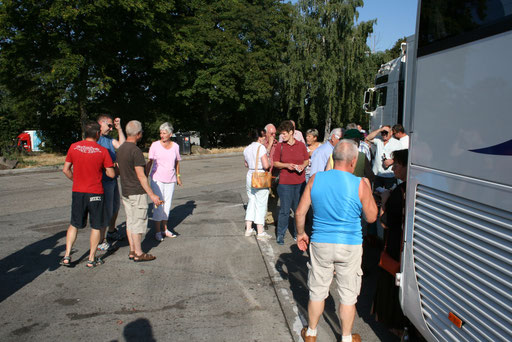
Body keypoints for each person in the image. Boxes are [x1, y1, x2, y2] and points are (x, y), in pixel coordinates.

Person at [295, 140, 378, 342]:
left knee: (317, 290)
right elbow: (372, 217)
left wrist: (300, 234)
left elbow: (300, 212)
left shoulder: (316, 179)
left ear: (333, 157)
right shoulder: (360, 183)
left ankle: (312, 333)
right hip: (349, 244)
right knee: (348, 295)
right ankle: (347, 337)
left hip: (321, 242)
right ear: (353, 161)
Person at [60, 121, 115, 268]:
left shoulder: (74, 147)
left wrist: (76, 179)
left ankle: (66, 256)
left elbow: (65, 170)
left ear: (85, 133)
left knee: (74, 224)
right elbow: (111, 174)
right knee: (96, 226)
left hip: (78, 191)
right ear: (98, 134)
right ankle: (91, 258)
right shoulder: (102, 151)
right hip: (95, 191)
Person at [372, 149, 408, 337]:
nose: (393, 168)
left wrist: (384, 202)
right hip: (407, 245)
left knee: (392, 283)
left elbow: (384, 223)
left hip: (395, 246)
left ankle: (395, 324)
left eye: (397, 165)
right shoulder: (411, 188)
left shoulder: (398, 193)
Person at [117, 120, 163, 262]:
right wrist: (152, 195)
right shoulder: (135, 151)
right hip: (136, 191)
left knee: (130, 221)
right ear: (138, 134)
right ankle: (138, 252)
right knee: (138, 222)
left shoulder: (121, 148)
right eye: (141, 132)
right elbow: (141, 176)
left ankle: (132, 250)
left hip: (125, 191)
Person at [273, 120, 309, 245]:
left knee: (298, 210)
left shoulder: (301, 145)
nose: (282, 136)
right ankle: (280, 235)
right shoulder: (280, 146)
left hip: (300, 182)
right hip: (285, 183)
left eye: (284, 134)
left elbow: (306, 160)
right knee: (284, 210)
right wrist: (287, 165)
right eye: (282, 134)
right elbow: (275, 163)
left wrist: (301, 167)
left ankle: (297, 233)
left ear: (291, 132)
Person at [146, 122, 182, 242]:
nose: (162, 135)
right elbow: (150, 162)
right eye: (161, 133)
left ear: (170, 134)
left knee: (167, 205)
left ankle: (165, 229)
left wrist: (178, 176)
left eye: (164, 133)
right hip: (157, 179)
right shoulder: (155, 145)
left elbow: (177, 162)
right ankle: (157, 231)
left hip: (170, 179)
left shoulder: (175, 146)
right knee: (158, 204)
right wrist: (144, 176)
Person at [96, 114, 126, 251]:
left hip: (112, 179)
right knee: (105, 210)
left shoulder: (109, 139)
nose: (110, 128)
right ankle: (100, 240)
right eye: (108, 125)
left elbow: (122, 147)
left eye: (111, 125)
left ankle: (112, 231)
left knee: (115, 207)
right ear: (100, 124)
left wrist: (119, 129)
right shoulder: (96, 139)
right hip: (102, 181)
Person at [243, 129, 272, 241]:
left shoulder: (246, 149)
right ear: (260, 137)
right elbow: (265, 165)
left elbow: (246, 164)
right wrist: (269, 162)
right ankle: (260, 231)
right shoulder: (261, 148)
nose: (265, 139)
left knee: (251, 201)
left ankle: (248, 228)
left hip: (250, 175)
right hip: (260, 176)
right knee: (261, 203)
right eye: (264, 137)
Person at [365, 125, 402, 189]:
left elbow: (401, 156)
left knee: (389, 195)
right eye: (382, 132)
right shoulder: (379, 140)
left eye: (386, 132)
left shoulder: (397, 143)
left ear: (391, 133)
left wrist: (392, 161)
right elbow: (367, 138)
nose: (384, 134)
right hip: (377, 173)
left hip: (389, 174)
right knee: (376, 194)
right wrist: (379, 130)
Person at [263, 123, 278, 226]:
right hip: (264, 175)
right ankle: (261, 219)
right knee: (263, 197)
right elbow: (263, 157)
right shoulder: (262, 144)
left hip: (275, 174)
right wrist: (269, 145)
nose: (273, 135)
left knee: (273, 197)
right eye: (271, 133)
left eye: (275, 133)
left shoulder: (277, 144)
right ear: (266, 133)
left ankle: (270, 218)